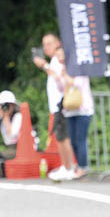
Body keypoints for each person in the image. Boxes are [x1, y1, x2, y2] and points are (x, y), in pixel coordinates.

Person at [32, 34, 77, 181]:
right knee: (60, 137)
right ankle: (67, 166)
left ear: (57, 43)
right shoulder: (54, 60)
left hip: (61, 103)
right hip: (57, 105)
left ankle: (69, 167)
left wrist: (43, 65)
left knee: (63, 137)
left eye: (49, 44)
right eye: (44, 45)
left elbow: (58, 76)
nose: (46, 47)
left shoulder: (58, 59)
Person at [53, 47, 93, 179]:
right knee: (73, 141)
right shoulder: (63, 70)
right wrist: (58, 77)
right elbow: (60, 88)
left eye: (61, 54)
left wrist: (64, 75)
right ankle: (78, 167)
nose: (60, 58)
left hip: (83, 109)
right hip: (69, 110)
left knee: (80, 139)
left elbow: (77, 85)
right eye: (57, 55)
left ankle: (82, 168)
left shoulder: (78, 68)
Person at [0, 90, 21, 160]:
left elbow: (12, 135)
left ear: (13, 105)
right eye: (4, 105)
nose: (6, 107)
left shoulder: (18, 117)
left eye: (8, 104)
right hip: (9, 148)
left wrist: (6, 118)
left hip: (19, 148)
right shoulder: (1, 119)